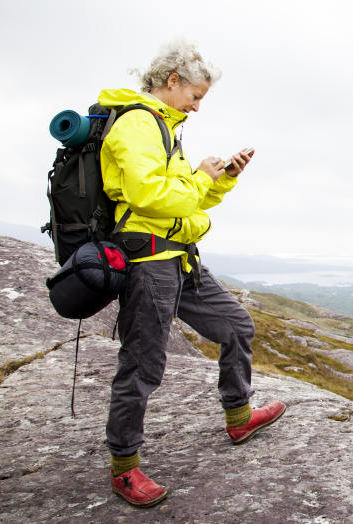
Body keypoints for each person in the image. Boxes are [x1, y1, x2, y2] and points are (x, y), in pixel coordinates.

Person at [98, 40, 286, 508]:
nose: (198, 107)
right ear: (172, 81)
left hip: (180, 258)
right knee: (143, 364)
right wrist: (200, 177)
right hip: (150, 262)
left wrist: (221, 180)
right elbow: (150, 197)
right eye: (195, 95)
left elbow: (186, 202)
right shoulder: (138, 123)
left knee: (236, 325)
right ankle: (124, 467)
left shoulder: (165, 127)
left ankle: (239, 415)